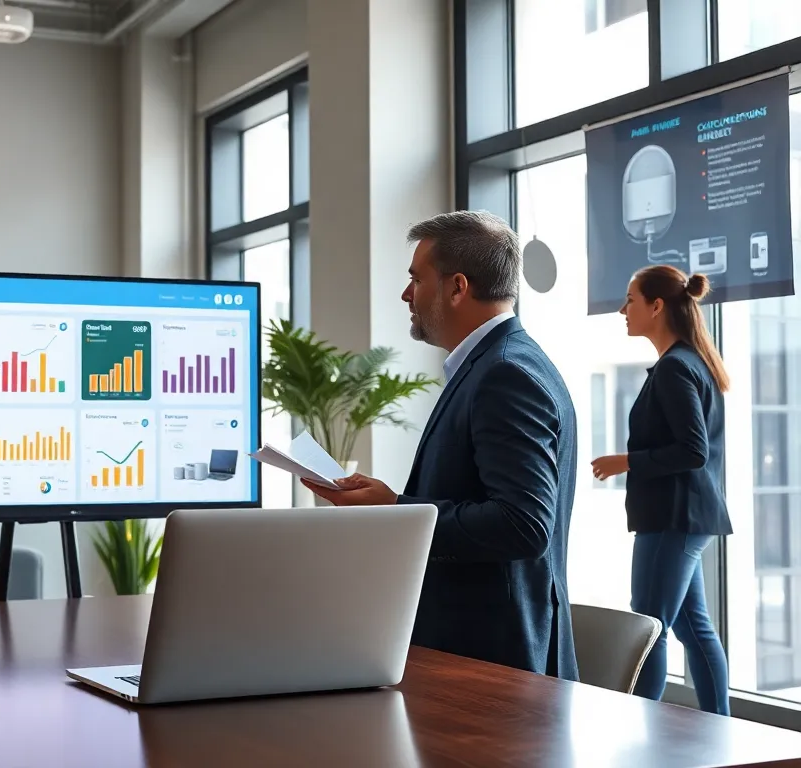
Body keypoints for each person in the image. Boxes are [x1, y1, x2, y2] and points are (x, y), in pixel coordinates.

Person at [304, 210, 579, 681]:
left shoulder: (505, 373)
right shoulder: (501, 363)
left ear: (457, 287)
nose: (406, 294)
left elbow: (524, 525)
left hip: (493, 669)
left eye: (416, 279)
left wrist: (396, 510)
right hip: (483, 658)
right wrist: (391, 505)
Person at [591, 265, 731, 715]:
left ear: (656, 306)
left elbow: (693, 450)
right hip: (685, 515)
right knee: (692, 627)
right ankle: (720, 725)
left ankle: (641, 730)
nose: (622, 310)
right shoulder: (687, 362)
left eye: (630, 300)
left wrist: (625, 461)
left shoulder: (675, 368)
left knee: (648, 627)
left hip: (674, 516)